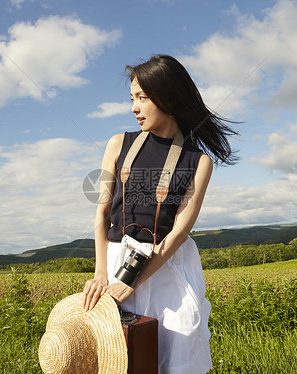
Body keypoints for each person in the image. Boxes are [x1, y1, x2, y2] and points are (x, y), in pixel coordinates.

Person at [83, 54, 239, 374]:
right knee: (120, 359)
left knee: (178, 352)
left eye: (142, 97)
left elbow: (179, 233)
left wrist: (135, 280)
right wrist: (102, 274)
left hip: (169, 268)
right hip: (117, 265)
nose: (134, 107)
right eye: (132, 98)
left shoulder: (199, 163)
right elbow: (101, 217)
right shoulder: (117, 144)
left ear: (167, 97)